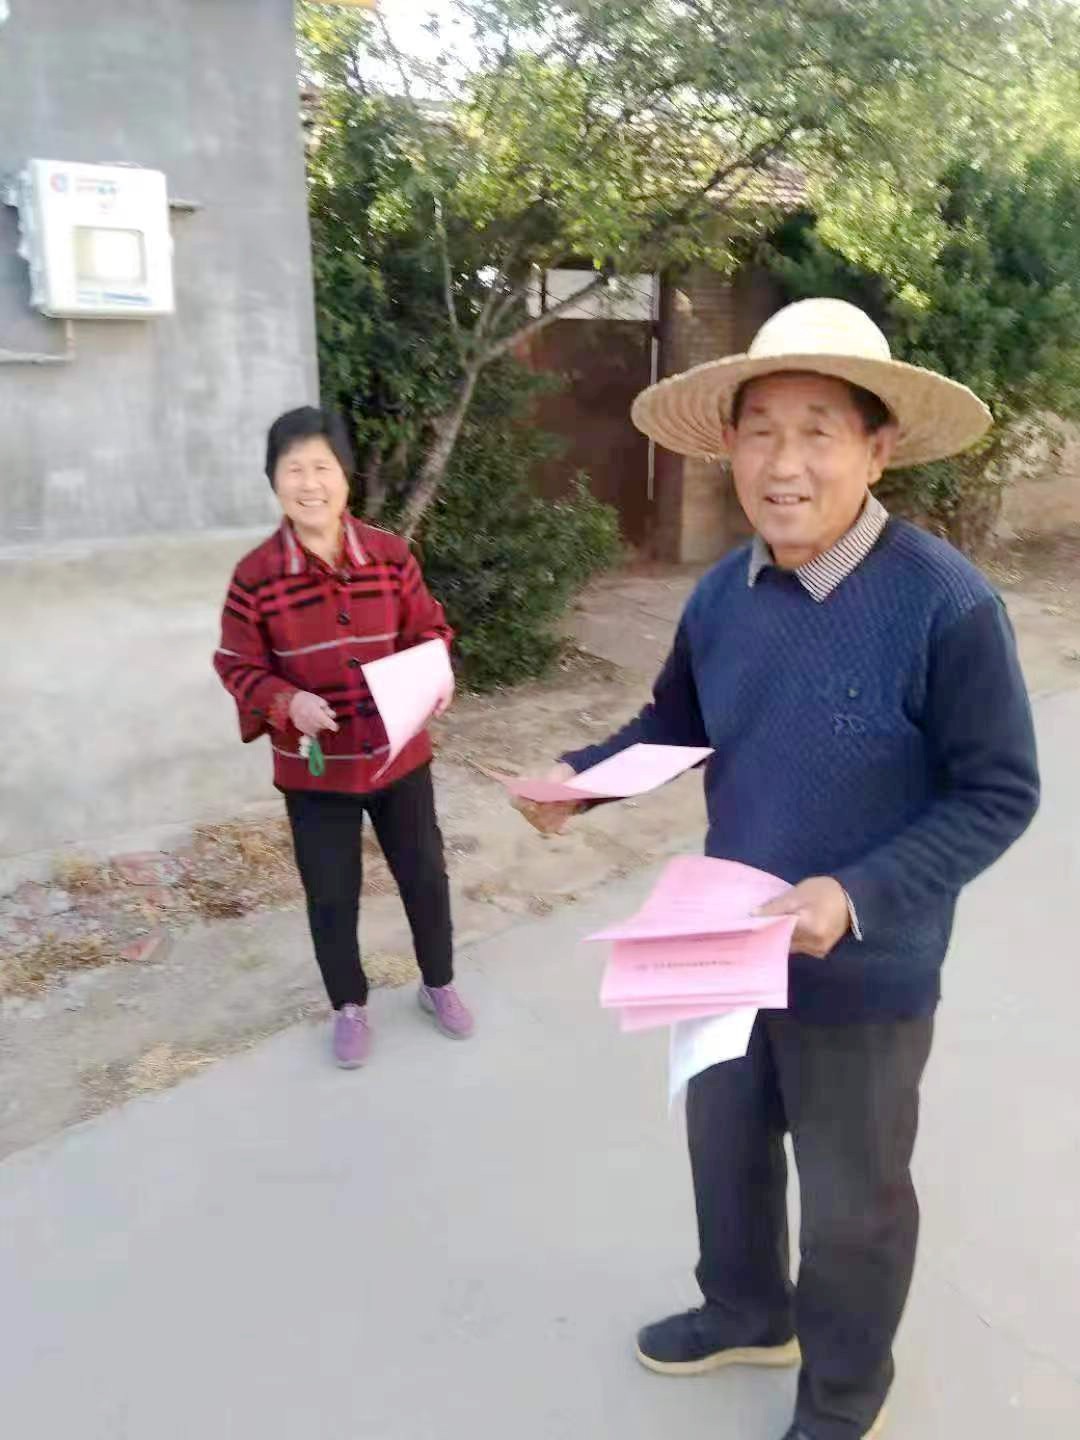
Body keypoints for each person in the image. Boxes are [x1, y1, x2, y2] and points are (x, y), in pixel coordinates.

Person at [517, 299, 1040, 1440]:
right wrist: (585, 780)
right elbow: (676, 722)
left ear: (876, 448)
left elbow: (1000, 792)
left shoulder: (945, 604)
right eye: (760, 432)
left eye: (817, 432)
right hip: (723, 942)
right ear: (730, 446)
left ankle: (845, 1396)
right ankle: (748, 1311)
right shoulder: (723, 594)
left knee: (853, 1205)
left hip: (869, 968)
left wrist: (855, 895)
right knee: (727, 1150)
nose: (784, 464)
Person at [213, 406, 473, 1069]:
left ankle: (438, 982)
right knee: (331, 893)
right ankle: (349, 1005)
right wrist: (286, 702)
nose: (310, 484)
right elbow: (236, 663)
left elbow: (429, 629)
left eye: (322, 467)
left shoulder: (389, 557)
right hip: (314, 770)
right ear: (274, 480)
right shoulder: (255, 576)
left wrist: (435, 672)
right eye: (293, 469)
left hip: (398, 756)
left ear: (345, 476)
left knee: (424, 875)